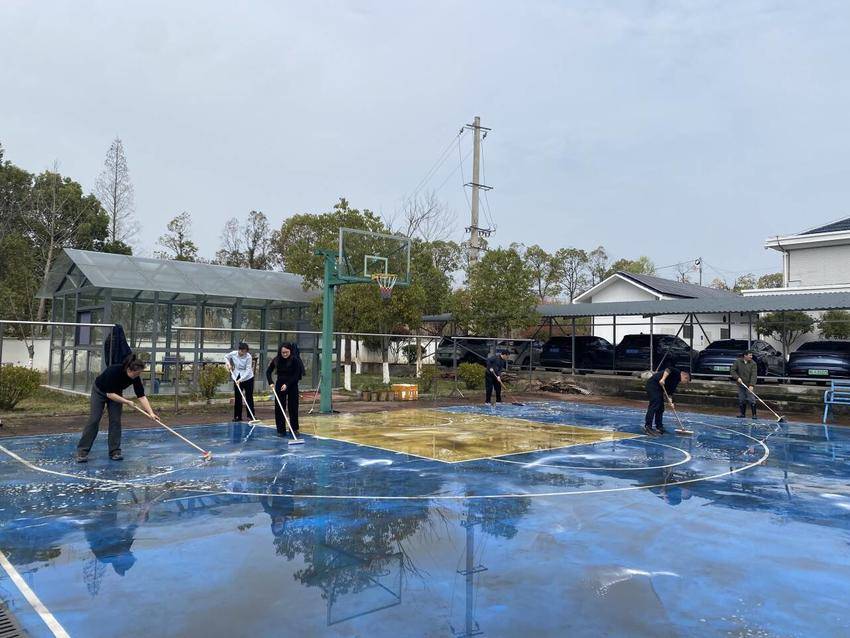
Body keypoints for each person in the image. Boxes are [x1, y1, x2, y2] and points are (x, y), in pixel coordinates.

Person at [76, 354, 157, 462]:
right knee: (94, 420)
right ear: (129, 370)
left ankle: (115, 451)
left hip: (116, 393)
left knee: (115, 421)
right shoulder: (113, 371)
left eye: (139, 373)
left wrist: (151, 413)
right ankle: (82, 451)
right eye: (137, 373)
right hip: (100, 391)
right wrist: (127, 402)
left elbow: (141, 396)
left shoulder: (135, 377)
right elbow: (109, 394)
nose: (138, 375)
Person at [266, 342, 305, 437]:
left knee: (293, 407)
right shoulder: (276, 359)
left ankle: (294, 428)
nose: (284, 354)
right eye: (283, 352)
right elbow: (268, 372)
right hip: (280, 384)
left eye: (286, 352)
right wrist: (271, 382)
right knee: (279, 407)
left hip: (292, 384)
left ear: (290, 351)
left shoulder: (295, 360)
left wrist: (287, 384)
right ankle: (280, 429)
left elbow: (296, 375)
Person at [644, 366, 690, 435]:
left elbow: (670, 393)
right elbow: (668, 369)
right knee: (655, 404)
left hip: (659, 389)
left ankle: (659, 426)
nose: (685, 383)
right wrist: (663, 379)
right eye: (686, 381)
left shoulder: (676, 382)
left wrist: (670, 402)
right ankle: (648, 426)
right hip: (653, 385)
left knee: (661, 408)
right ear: (685, 376)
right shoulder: (677, 372)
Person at [225, 342, 255, 422]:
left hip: (248, 378)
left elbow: (248, 370)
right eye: (242, 351)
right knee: (238, 397)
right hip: (237, 375)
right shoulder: (234, 353)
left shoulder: (248, 357)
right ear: (239, 350)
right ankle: (237, 416)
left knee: (249, 397)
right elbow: (226, 357)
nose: (243, 353)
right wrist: (228, 364)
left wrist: (240, 380)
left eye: (245, 352)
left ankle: (251, 416)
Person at [731, 350, 758, 419]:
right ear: (745, 356)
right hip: (741, 384)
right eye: (750, 355)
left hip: (749, 384)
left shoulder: (753, 363)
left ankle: (754, 415)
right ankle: (742, 414)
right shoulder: (738, 362)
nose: (751, 357)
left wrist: (751, 385)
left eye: (751, 355)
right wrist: (737, 378)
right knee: (742, 399)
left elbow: (754, 375)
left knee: (752, 399)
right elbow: (733, 371)